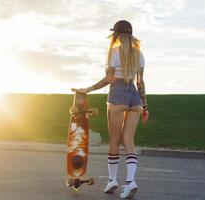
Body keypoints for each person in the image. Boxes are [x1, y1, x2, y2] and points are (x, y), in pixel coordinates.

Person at [71, 20, 149, 199]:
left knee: (114, 139)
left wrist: (87, 89)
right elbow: (140, 83)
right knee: (129, 140)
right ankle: (130, 182)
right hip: (135, 97)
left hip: (118, 95)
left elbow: (108, 79)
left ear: (116, 34)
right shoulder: (139, 54)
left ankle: (112, 180)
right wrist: (144, 106)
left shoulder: (114, 52)